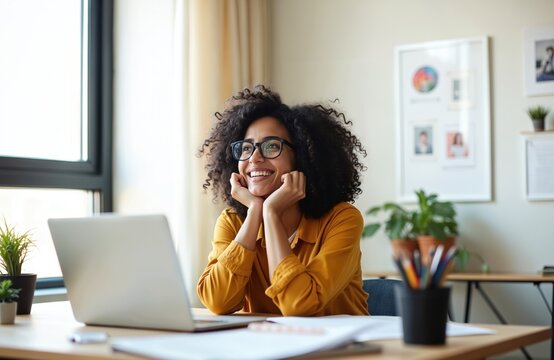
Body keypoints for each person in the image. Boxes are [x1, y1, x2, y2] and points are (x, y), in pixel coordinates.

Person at [197, 85, 369, 316]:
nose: (255, 158)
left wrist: (270, 213)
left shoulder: (342, 219)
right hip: (267, 349)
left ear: (301, 157)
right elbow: (217, 301)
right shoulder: (232, 222)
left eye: (271, 146)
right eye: (246, 148)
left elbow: (300, 304)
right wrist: (256, 211)